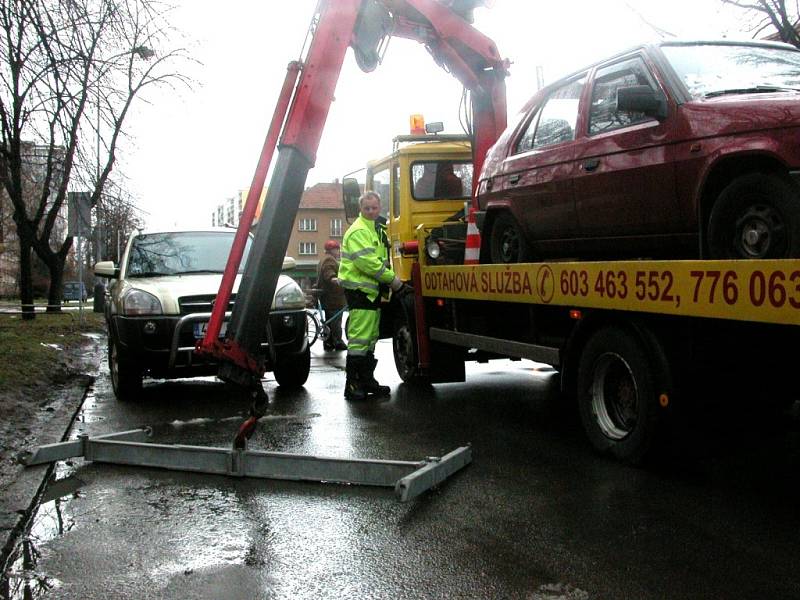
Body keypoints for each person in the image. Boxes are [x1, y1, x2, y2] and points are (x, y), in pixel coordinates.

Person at [338, 191, 404, 400]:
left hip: (370, 292)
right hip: (361, 292)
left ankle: (366, 381)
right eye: (367, 208)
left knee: (369, 338)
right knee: (359, 339)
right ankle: (353, 384)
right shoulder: (359, 231)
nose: (371, 211)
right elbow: (368, 263)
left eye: (374, 208)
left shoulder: (375, 229)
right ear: (361, 209)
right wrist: (393, 280)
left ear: (379, 207)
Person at [316, 239, 347, 351]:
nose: (339, 251)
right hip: (333, 297)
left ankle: (328, 342)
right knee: (336, 321)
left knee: (329, 320)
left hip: (328, 297)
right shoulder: (329, 260)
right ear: (332, 250)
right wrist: (337, 280)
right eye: (337, 249)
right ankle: (337, 342)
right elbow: (328, 274)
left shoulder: (323, 259)